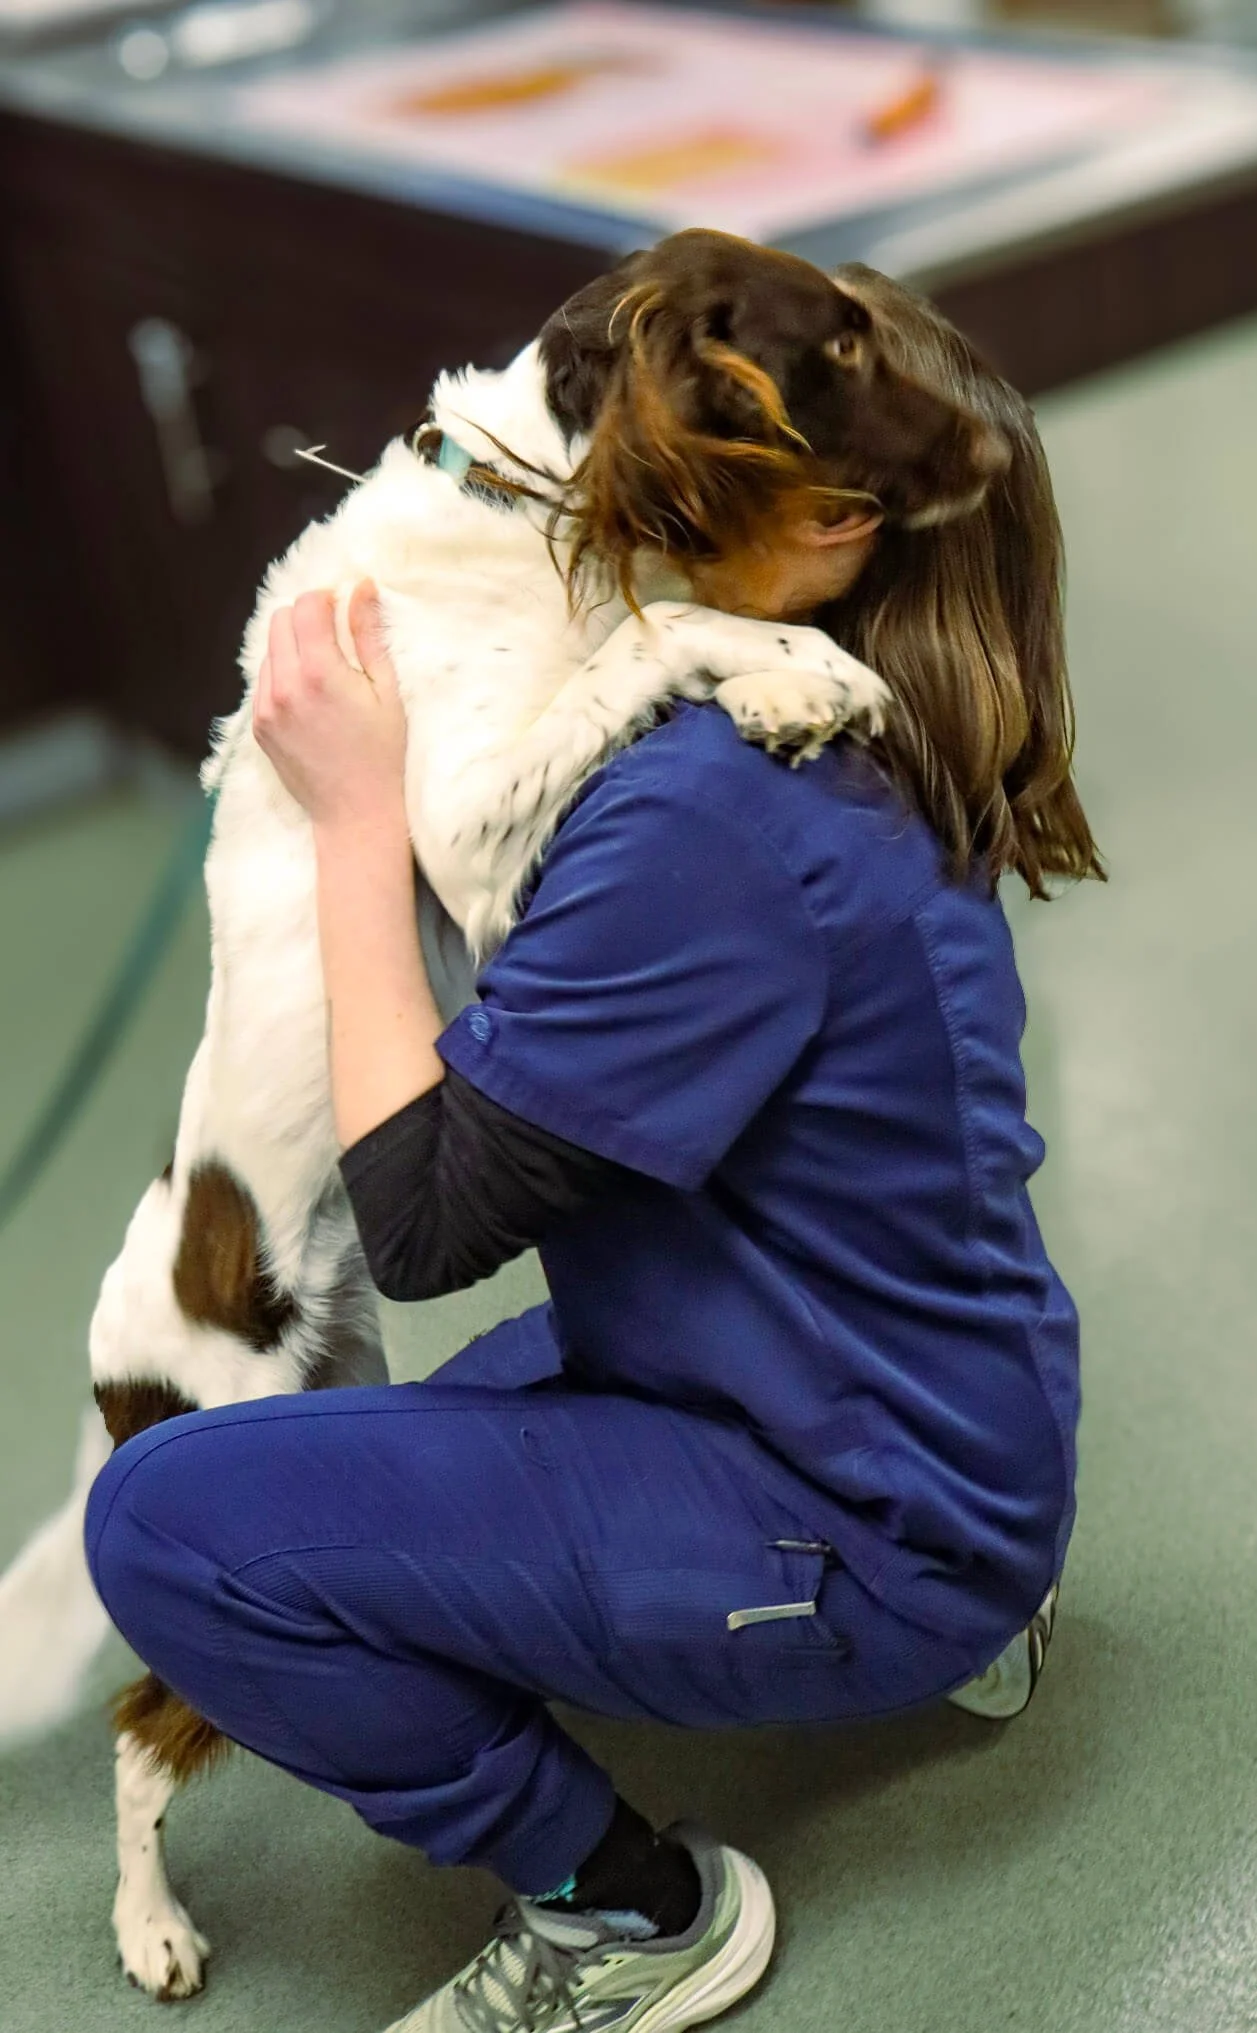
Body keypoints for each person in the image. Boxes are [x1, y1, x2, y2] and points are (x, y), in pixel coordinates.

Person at [85, 270, 1101, 2033]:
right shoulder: (852, 725)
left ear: (833, 525)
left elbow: (421, 1222)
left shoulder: (708, 809)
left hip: (868, 1518)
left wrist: (354, 819)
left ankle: (627, 1910)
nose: (619, 478)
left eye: (677, 456)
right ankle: (940, 1594)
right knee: (344, 1459)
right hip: (930, 1408)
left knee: (174, 1529)